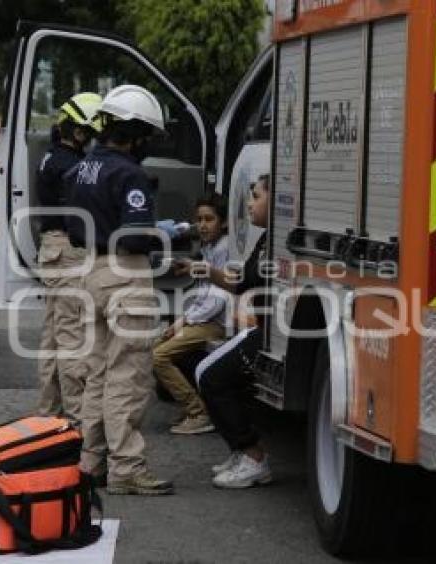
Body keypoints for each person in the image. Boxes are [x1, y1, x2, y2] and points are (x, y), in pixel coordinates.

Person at [64, 84, 177, 495]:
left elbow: (74, 226)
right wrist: (163, 234)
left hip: (89, 271)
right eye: (146, 135)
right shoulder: (129, 173)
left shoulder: (83, 167)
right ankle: (127, 467)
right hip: (124, 274)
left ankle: (90, 462)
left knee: (96, 373)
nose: (146, 144)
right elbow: (133, 237)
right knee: (127, 375)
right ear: (133, 133)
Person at [177, 174, 272, 488]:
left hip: (272, 333)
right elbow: (238, 282)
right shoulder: (266, 239)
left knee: (211, 375)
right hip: (262, 330)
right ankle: (242, 452)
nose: (248, 203)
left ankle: (253, 457)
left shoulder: (280, 241)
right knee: (209, 372)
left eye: (256, 196)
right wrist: (197, 268)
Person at [36, 92, 103, 425]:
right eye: (90, 135)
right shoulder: (73, 165)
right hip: (68, 250)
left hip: (52, 248)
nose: (92, 142)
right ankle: (78, 422)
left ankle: (49, 413)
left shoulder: (50, 156)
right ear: (79, 132)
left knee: (53, 336)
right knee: (72, 338)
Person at [153, 194, 229, 435]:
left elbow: (217, 299)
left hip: (218, 323)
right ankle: (196, 406)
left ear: (224, 222)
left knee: (158, 356)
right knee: (161, 344)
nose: (204, 225)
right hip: (206, 319)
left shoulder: (225, 248)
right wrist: (181, 321)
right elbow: (202, 295)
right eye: (200, 219)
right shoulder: (209, 247)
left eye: (210, 219)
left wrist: (184, 321)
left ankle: (198, 412)